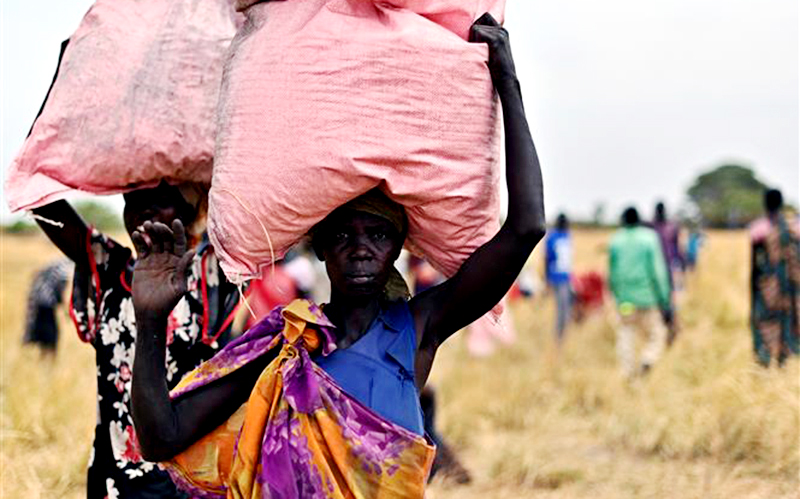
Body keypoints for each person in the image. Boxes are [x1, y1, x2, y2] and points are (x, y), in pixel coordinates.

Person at [130, 14, 545, 498]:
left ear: (396, 246)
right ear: (321, 247)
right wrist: (150, 319)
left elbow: (526, 227)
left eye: (377, 233)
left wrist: (507, 83)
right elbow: (162, 437)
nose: (360, 246)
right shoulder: (286, 346)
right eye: (343, 234)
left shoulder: (420, 328)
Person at [31, 184, 239, 499]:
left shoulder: (211, 273)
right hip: (117, 477)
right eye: (133, 200)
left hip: (192, 478)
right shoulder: (108, 270)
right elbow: (38, 199)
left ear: (189, 210)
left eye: (161, 200)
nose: (144, 209)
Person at [608, 207, 671, 378]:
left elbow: (611, 273)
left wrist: (616, 296)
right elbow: (658, 271)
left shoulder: (616, 239)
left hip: (625, 301)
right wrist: (664, 299)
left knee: (626, 333)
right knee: (656, 334)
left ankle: (627, 374)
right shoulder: (649, 238)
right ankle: (647, 360)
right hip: (647, 299)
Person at [749, 189, 800, 367]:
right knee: (787, 323)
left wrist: (753, 292)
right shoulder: (794, 228)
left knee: (764, 325)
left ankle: (764, 361)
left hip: (767, 289)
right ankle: (783, 362)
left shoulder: (759, 230)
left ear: (765, 203)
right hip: (790, 289)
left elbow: (754, 266)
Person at [22, 258, 73, 359]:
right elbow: (62, 289)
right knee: (50, 336)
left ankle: (44, 360)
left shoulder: (60, 263)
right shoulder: (67, 267)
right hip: (45, 303)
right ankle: (48, 361)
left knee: (44, 337)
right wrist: (66, 309)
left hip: (37, 300)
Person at [544, 213, 573, 343]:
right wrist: (547, 279)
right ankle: (559, 339)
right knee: (562, 311)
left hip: (565, 278)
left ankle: (562, 336)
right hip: (557, 278)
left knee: (565, 309)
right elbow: (547, 259)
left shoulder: (567, 236)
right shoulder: (553, 237)